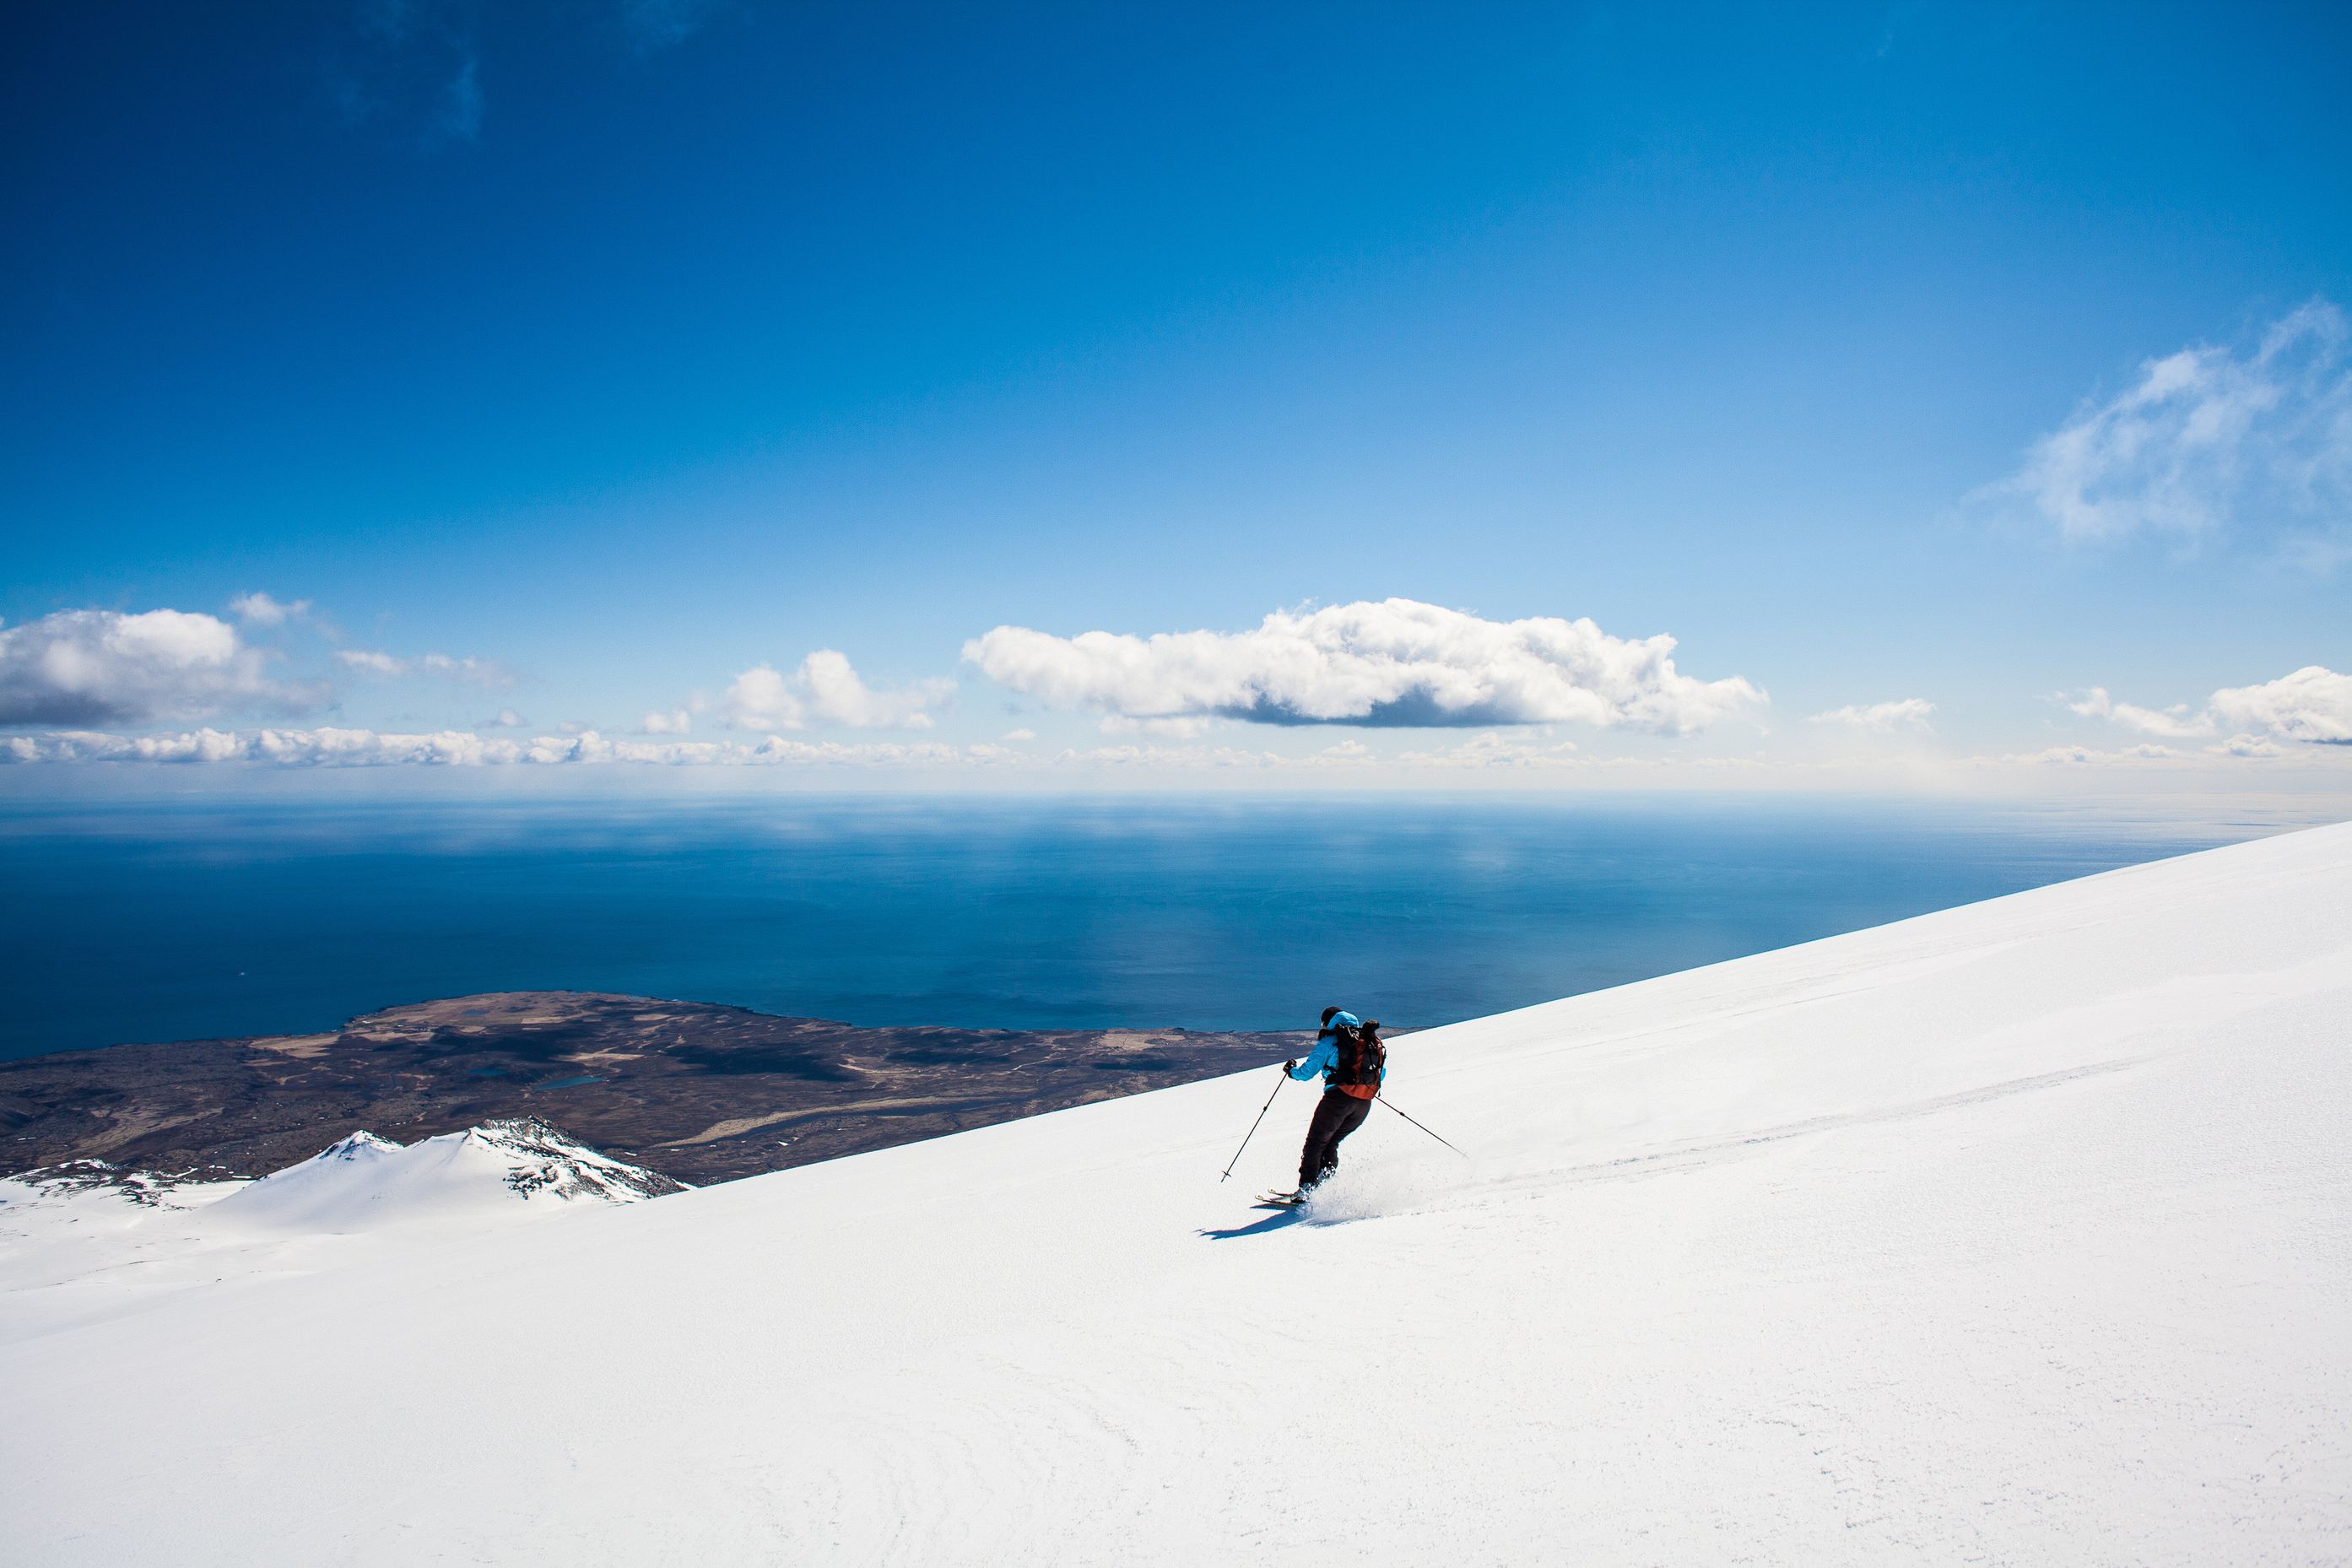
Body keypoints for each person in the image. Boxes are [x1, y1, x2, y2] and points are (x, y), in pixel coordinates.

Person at [1281, 1007, 1385, 1197]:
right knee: (1330, 1143)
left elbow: (1308, 1072)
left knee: (1315, 1143)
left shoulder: (1331, 1040)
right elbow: (1381, 1073)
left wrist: (1291, 1072)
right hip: (1364, 1103)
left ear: (1328, 1022)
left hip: (1338, 1099)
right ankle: (1325, 1188)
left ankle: (1306, 1190)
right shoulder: (1370, 1041)